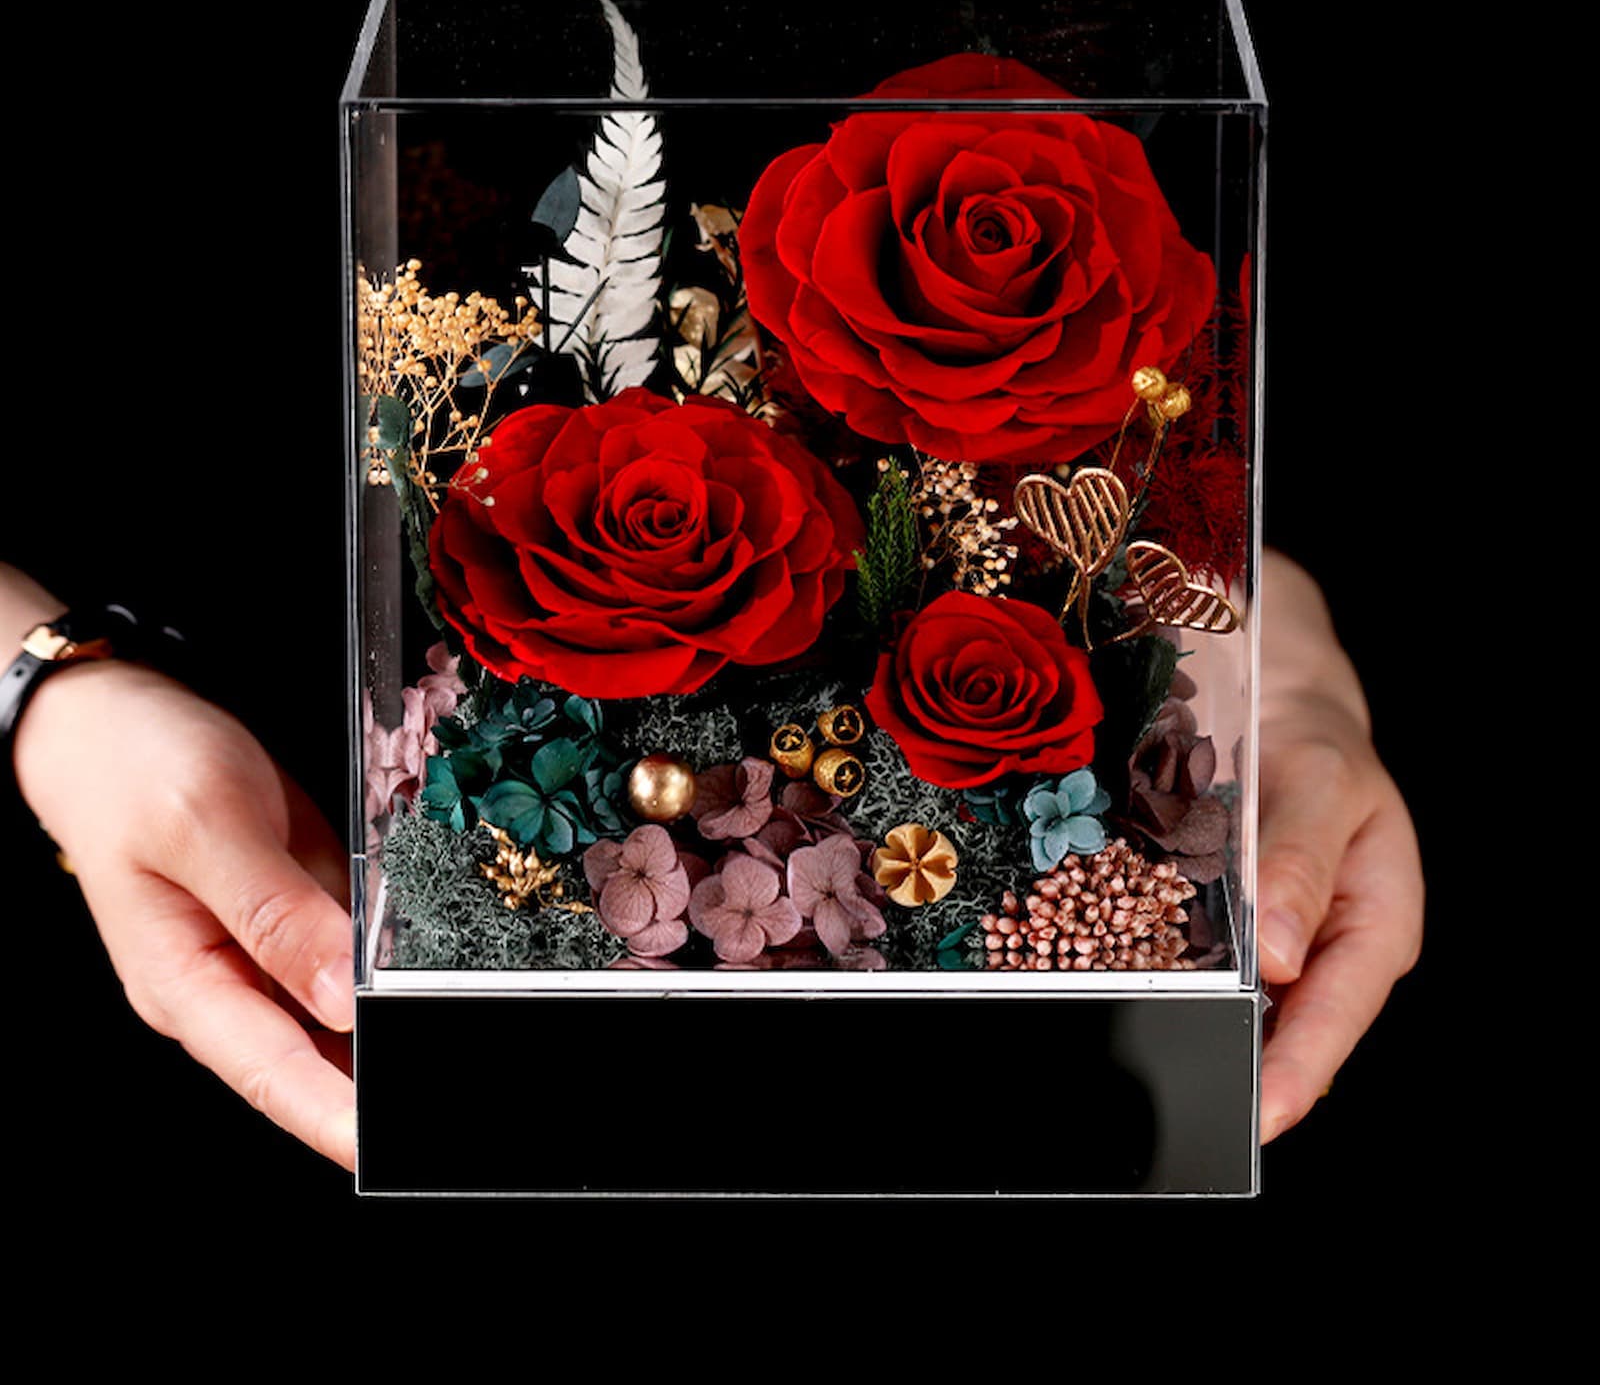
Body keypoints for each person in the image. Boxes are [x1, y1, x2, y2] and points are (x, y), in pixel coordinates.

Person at [1, 549, 1422, 1176]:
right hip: (258, 877)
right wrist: (46, 686)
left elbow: (1211, 446)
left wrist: (1288, 671)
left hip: (1055, 1100)